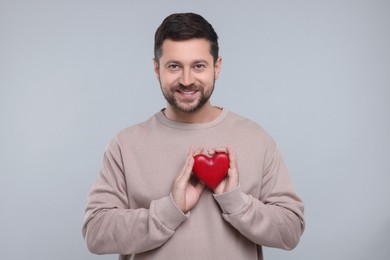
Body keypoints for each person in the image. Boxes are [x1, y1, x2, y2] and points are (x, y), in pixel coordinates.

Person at [82, 12, 305, 260]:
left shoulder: (256, 139)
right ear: (157, 69)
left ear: (216, 67)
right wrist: (170, 210)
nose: (187, 80)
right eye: (174, 66)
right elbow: (95, 233)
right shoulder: (125, 145)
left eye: (198, 66)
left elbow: (291, 230)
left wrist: (236, 203)